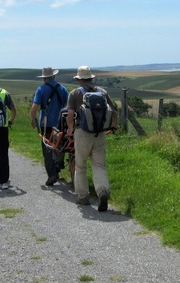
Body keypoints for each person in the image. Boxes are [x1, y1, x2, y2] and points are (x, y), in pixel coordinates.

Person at [66, 66, 118, 212]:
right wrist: (114, 125)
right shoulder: (102, 92)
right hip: (100, 133)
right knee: (99, 165)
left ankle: (83, 196)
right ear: (91, 78)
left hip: (82, 133)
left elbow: (70, 115)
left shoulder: (75, 93)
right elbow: (113, 112)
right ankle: (103, 192)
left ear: (79, 79)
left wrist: (70, 129)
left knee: (81, 165)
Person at [30, 67, 69, 186]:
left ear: (44, 78)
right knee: (60, 145)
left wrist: (33, 120)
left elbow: (34, 108)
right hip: (61, 122)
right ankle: (58, 165)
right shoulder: (62, 89)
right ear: (53, 76)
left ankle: (52, 174)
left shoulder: (41, 89)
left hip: (46, 123)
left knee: (47, 148)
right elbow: (68, 105)